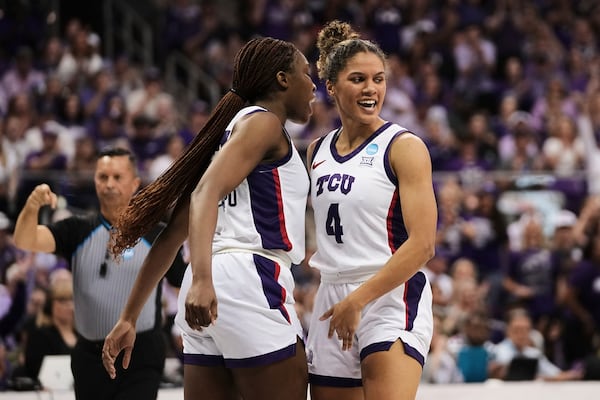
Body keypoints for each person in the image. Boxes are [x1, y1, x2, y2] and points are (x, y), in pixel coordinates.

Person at [101, 36, 316, 400]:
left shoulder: (226, 137)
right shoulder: (263, 124)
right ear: (282, 80)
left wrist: (128, 317)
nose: (314, 85)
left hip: (209, 283)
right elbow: (203, 194)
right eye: (306, 74)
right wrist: (202, 279)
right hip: (247, 280)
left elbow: (170, 238)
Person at [304, 20, 437, 400]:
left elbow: (424, 244)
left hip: (388, 293)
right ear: (331, 86)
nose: (371, 89)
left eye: (379, 79)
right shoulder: (316, 151)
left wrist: (359, 300)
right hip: (332, 295)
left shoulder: (404, 146)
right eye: (359, 79)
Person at [12, 148, 186, 400]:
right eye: (102, 177)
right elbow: (24, 239)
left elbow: (183, 286)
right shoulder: (77, 229)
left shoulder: (157, 235)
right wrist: (31, 206)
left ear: (135, 183)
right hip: (89, 357)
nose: (109, 184)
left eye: (117, 177)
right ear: (94, 181)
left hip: (141, 354)